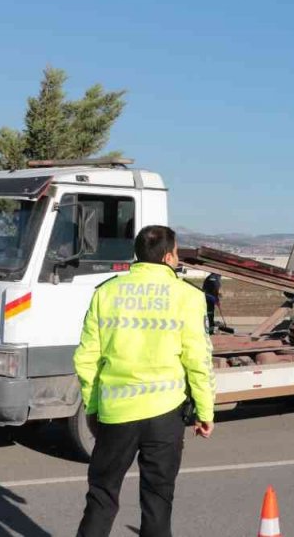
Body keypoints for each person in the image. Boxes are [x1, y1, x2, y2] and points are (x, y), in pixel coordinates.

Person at [74, 225, 216, 537]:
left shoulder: (106, 292)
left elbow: (86, 358)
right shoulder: (188, 297)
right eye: (177, 253)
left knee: (101, 496)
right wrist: (205, 411)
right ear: (168, 257)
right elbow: (198, 361)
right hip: (165, 414)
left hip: (116, 413)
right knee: (157, 500)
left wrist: (93, 407)